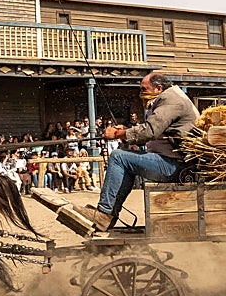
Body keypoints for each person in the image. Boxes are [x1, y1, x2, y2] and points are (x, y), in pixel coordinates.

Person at [74, 72, 200, 231]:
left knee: (118, 157)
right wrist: (126, 131)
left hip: (174, 166)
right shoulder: (170, 98)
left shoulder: (170, 100)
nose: (141, 93)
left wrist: (118, 134)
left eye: (144, 89)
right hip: (170, 162)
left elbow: (150, 131)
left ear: (158, 88)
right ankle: (108, 215)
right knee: (125, 160)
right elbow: (154, 130)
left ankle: (105, 213)